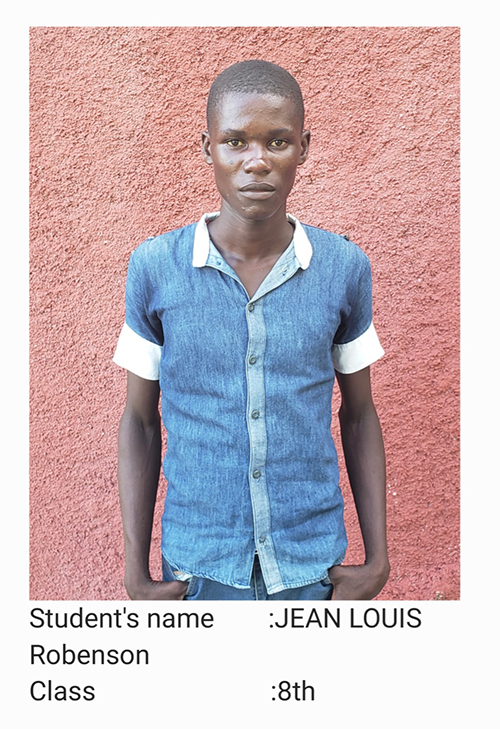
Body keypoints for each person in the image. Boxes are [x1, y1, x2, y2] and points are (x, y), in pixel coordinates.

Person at [113, 60, 390, 601]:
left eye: (278, 142)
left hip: (312, 569)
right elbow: (140, 423)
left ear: (304, 148)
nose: (256, 162)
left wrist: (378, 559)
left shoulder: (344, 268)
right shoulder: (154, 267)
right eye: (235, 141)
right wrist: (135, 571)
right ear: (207, 148)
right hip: (198, 567)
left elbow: (359, 415)